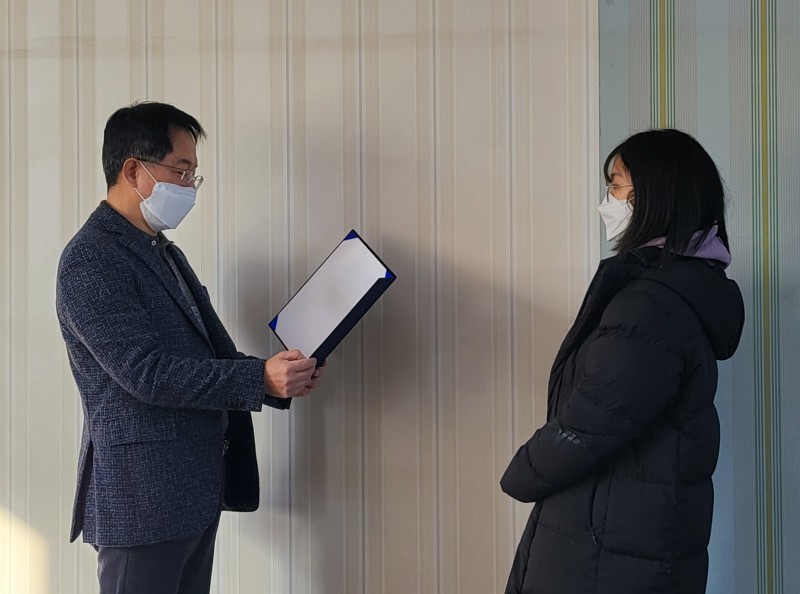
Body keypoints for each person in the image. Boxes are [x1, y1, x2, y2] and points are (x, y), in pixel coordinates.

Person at [56, 101, 323, 594]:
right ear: (133, 171)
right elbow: (146, 373)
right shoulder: (91, 259)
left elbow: (209, 356)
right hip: (141, 503)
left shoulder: (162, 251)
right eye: (181, 171)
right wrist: (259, 378)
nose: (189, 187)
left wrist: (276, 377)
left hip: (191, 492)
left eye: (193, 175)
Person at [501, 129, 745, 594]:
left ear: (655, 195)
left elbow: (594, 418)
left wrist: (523, 472)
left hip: (607, 544)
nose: (607, 201)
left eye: (615, 186)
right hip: (626, 529)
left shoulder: (650, 305)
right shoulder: (679, 288)